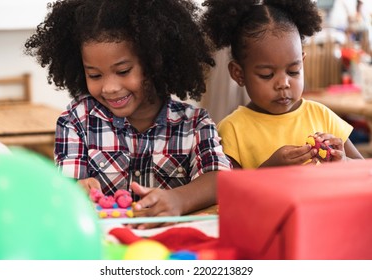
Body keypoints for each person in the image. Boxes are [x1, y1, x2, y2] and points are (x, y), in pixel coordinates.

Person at [24, 0, 231, 228]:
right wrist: (76, 189)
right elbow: (65, 188)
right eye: (94, 75)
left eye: (123, 71)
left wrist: (178, 199)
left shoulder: (194, 123)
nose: (109, 87)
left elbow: (220, 179)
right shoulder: (76, 121)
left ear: (155, 62)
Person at [200, 0, 364, 169]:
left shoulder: (322, 116)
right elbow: (229, 191)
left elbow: (363, 170)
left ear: (303, 62)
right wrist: (269, 170)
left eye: (293, 71)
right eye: (267, 75)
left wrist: (343, 162)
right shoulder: (232, 130)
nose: (283, 84)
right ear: (238, 74)